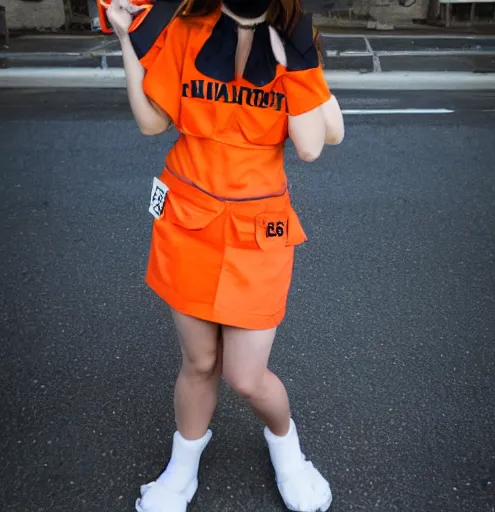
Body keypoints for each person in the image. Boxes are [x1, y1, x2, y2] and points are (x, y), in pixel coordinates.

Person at [106, 0, 344, 510]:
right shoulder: (189, 30)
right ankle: (182, 467)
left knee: (246, 376)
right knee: (199, 361)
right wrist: (126, 39)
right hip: (187, 221)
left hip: (259, 232)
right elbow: (152, 122)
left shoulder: (293, 39)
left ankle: (287, 450)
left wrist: (299, 60)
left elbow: (313, 144)